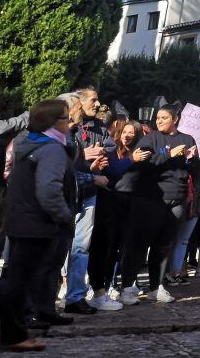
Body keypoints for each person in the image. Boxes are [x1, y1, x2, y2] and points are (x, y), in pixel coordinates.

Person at [0, 100, 81, 351]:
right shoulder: (51, 149)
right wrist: (64, 216)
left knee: (13, 278)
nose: (69, 122)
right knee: (19, 282)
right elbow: (49, 191)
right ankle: (13, 335)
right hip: (37, 224)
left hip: (19, 219)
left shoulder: (27, 142)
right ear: (53, 122)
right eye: (65, 117)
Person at [116, 105, 200, 306]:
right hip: (151, 197)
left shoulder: (187, 139)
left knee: (164, 245)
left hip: (177, 198)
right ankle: (127, 287)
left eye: (164, 117)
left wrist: (192, 160)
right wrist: (169, 155)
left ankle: (156, 286)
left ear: (175, 119)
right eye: (158, 118)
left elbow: (194, 169)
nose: (159, 121)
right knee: (140, 243)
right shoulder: (151, 139)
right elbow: (144, 164)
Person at [63, 88, 113, 316]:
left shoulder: (98, 128)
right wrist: (85, 154)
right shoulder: (61, 131)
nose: (98, 103)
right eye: (93, 99)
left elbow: (109, 148)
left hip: (88, 193)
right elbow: (61, 166)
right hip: (64, 196)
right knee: (58, 249)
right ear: (78, 104)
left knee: (81, 248)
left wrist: (97, 162)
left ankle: (76, 297)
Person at [87, 119, 141, 311]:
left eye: (131, 133)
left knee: (123, 247)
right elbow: (112, 171)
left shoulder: (143, 152)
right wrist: (130, 160)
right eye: (124, 132)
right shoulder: (110, 153)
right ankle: (102, 287)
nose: (127, 135)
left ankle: (118, 285)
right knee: (106, 248)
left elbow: (159, 155)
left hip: (130, 203)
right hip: (109, 202)